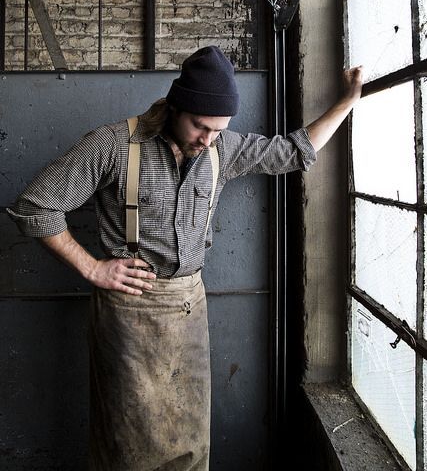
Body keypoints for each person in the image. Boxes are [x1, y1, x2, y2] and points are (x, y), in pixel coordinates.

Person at [7, 46, 363, 471]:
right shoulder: (114, 145)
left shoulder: (221, 148)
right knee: (128, 445)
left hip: (189, 309)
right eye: (200, 126)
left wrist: (347, 102)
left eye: (218, 129)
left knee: (190, 444)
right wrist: (92, 267)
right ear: (177, 105)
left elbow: (292, 151)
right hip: (128, 312)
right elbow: (34, 206)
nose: (207, 139)